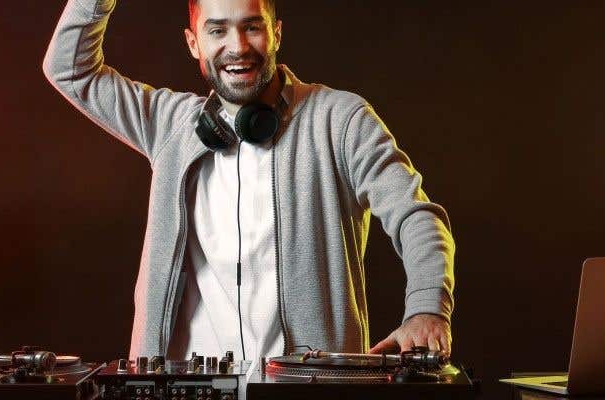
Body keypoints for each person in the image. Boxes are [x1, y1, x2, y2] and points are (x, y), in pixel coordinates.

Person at [43, 0, 455, 366]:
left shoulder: (340, 121)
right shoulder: (169, 125)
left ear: (277, 34)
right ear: (193, 43)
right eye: (217, 30)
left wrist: (427, 308)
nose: (237, 46)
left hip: (306, 389)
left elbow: (416, 216)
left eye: (252, 26)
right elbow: (69, 69)